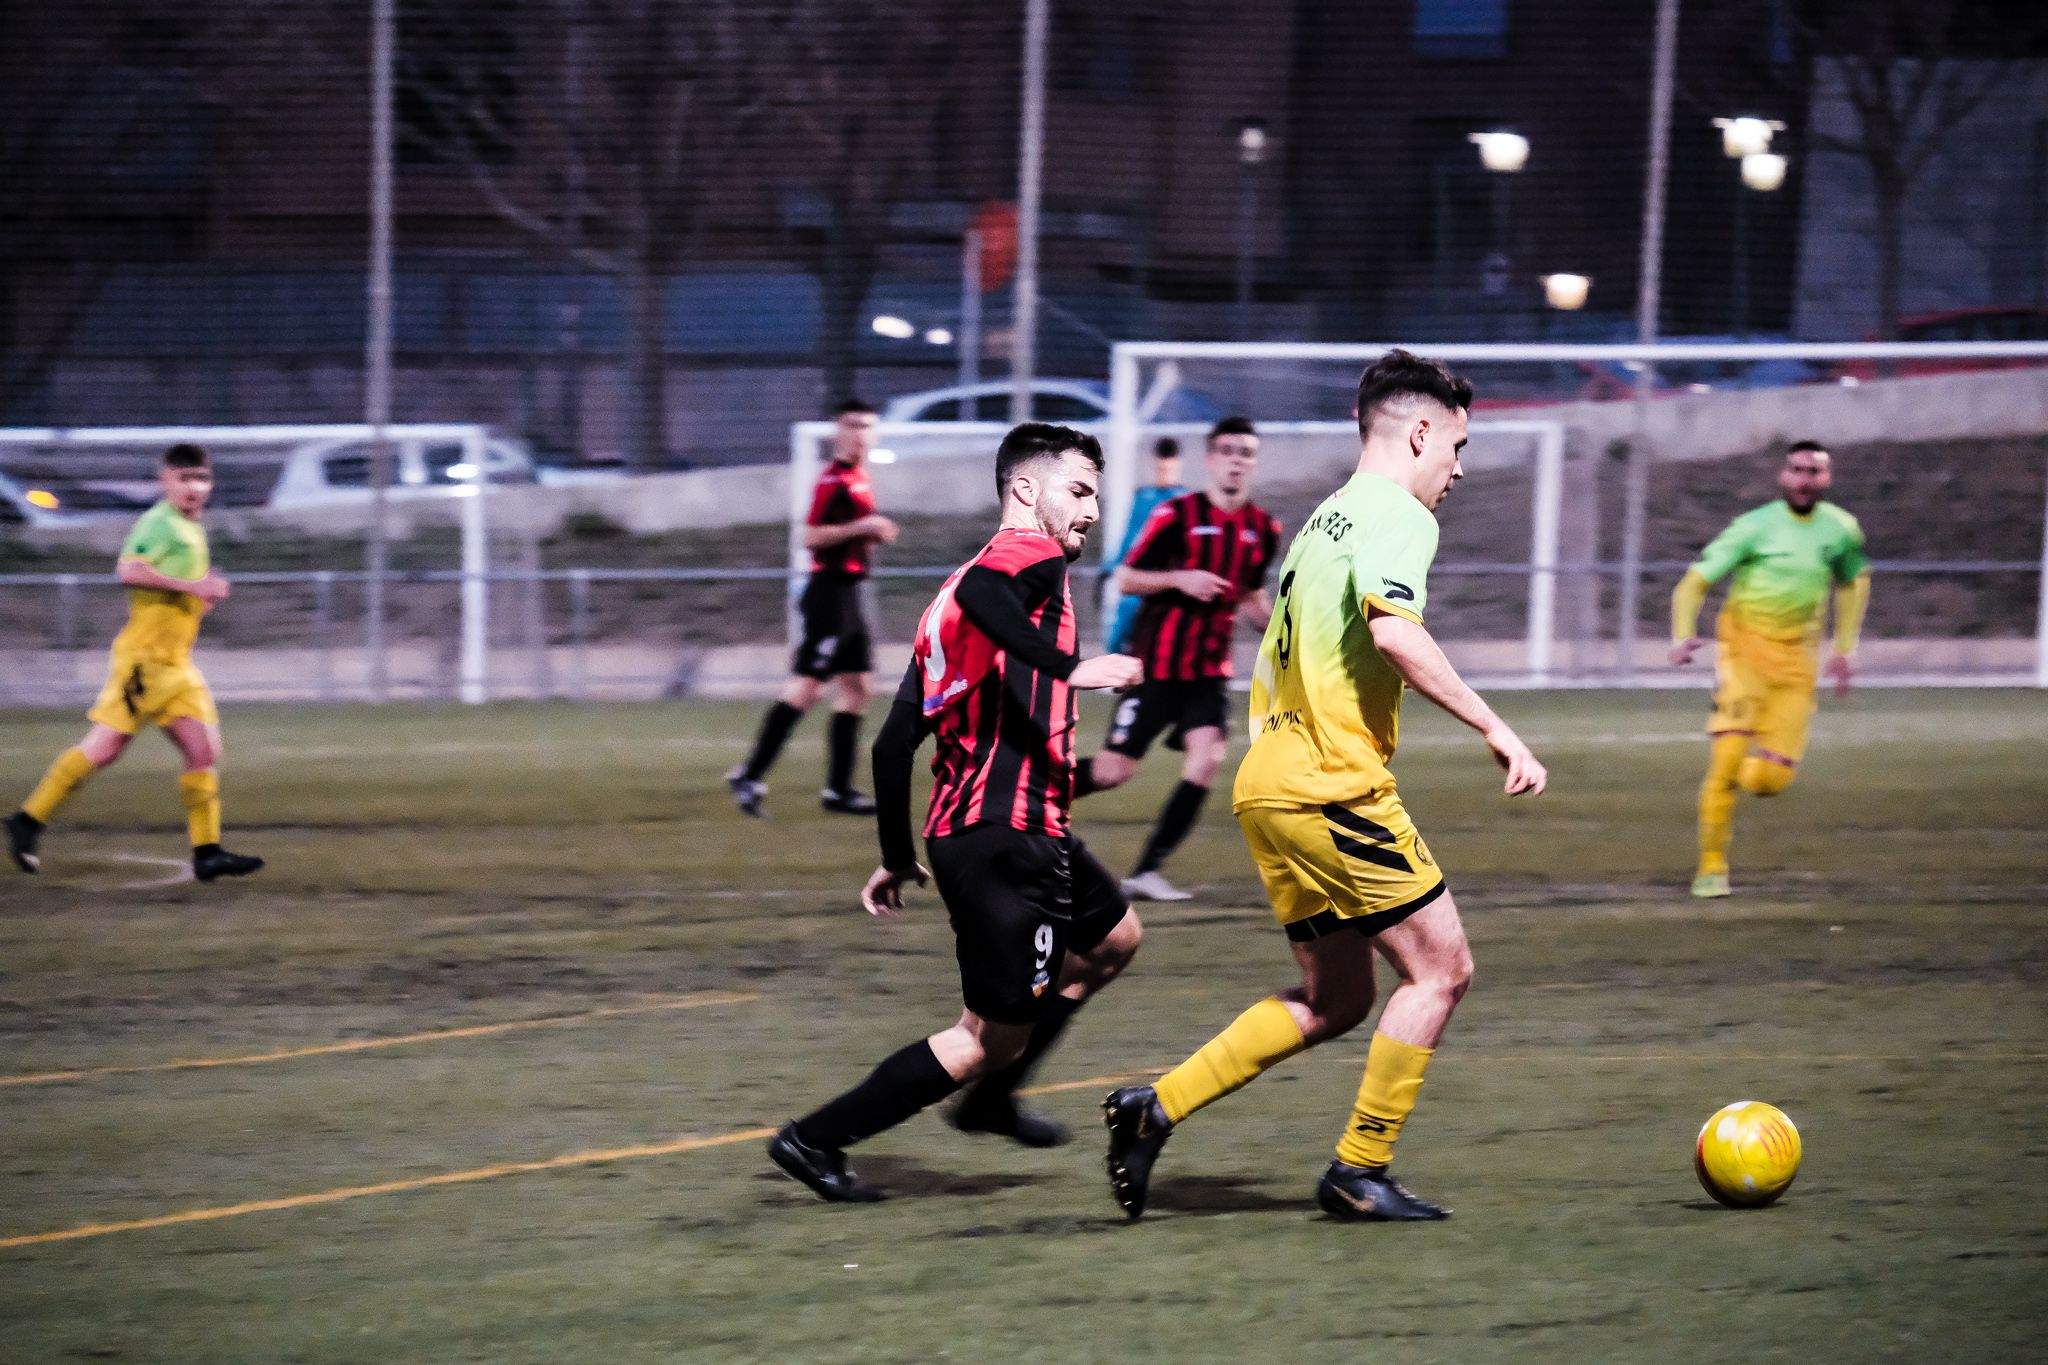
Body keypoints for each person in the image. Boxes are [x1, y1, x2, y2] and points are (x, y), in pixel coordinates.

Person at [1101, 350, 1547, 1223]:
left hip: (1267, 784)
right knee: (1442, 971)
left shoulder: (1322, 521)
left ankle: (1150, 1110)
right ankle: (1359, 1168)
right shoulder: (1399, 516)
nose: (1457, 469)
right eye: (1456, 445)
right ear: (1420, 431)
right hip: (1333, 786)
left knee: (1336, 998)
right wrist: (1497, 727)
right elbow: (1395, 634)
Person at [768, 423, 1146, 1202]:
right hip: (1006, 839)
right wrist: (1074, 669)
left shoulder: (948, 595)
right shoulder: (1021, 559)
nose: (1090, 511)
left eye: (1095, 497)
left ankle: (994, 1099)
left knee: (1113, 939)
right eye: (1078, 491)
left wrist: (895, 852)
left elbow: (891, 745)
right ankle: (814, 1139)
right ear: (1023, 491)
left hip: (1000, 826)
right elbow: (991, 602)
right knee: (980, 1038)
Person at [5, 444, 263, 882]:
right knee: (104, 748)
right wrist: (193, 588)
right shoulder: (158, 523)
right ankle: (27, 821)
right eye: (183, 478)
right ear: (165, 480)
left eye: (200, 478)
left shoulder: (191, 527)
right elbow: (129, 570)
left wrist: (203, 595)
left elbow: (181, 590)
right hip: (145, 663)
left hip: (175, 664)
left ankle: (208, 853)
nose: (193, 487)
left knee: (203, 750)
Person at [1074, 418, 1281, 902]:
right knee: (1112, 772)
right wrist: (1180, 579)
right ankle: (1022, 801)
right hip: (1154, 668)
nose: (1236, 459)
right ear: (1210, 458)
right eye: (1228, 450)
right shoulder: (1176, 514)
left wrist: (1279, 629)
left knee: (1207, 757)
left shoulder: (1261, 527)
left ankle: (1146, 871)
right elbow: (1125, 578)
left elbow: (1250, 591)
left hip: (1208, 672)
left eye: (1246, 452)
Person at [1669, 440, 1869, 899]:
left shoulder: (1840, 530)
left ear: (1827, 479)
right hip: (1743, 660)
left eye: (1813, 471)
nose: (1804, 479)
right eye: (1796, 469)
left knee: (1770, 781)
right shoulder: (1753, 527)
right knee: (1725, 762)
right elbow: (1694, 583)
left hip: (1797, 669)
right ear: (1784, 476)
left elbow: (1854, 583)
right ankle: (1712, 869)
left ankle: (1737, 777)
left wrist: (1844, 648)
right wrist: (1683, 635)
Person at [728, 399, 898, 817]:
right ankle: (749, 775)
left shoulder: (861, 477)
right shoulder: (832, 479)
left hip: (850, 593)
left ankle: (838, 791)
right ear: (838, 431)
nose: (860, 433)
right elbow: (811, 537)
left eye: (867, 426)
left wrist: (871, 533)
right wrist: (865, 527)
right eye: (852, 425)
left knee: (859, 688)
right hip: (828, 594)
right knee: (808, 687)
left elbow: (848, 534)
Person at [1102, 437, 1186, 654]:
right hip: (1140, 576)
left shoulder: (1186, 501)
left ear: (1177, 467)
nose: (1164, 473)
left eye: (1168, 469)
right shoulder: (1143, 497)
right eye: (1160, 469)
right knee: (1121, 630)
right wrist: (1109, 567)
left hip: (1170, 579)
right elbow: (1130, 535)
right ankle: (1120, 674)